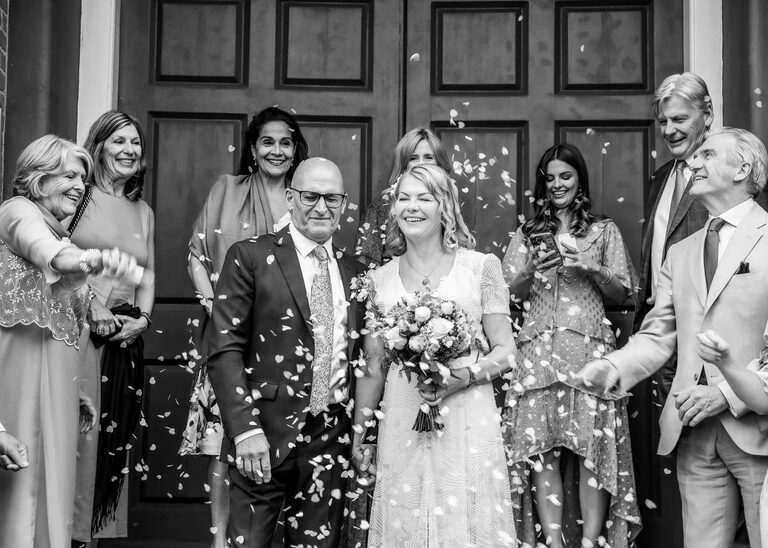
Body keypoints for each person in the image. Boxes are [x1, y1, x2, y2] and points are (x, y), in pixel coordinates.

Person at [579, 128, 768, 548]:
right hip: (690, 427)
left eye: (708, 156)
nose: (693, 164)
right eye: (694, 158)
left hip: (758, 428)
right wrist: (614, 366)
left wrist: (728, 395)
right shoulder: (680, 252)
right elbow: (658, 335)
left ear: (742, 168)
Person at [351, 163, 517, 546]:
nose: (412, 206)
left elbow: (507, 351)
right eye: (403, 198)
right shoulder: (379, 280)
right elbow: (374, 366)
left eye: (424, 197)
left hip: (467, 417)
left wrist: (465, 376)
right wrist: (363, 435)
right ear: (392, 209)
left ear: (444, 206)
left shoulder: (481, 268)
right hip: (403, 416)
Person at [206, 157, 366, 546]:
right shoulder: (250, 257)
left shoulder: (358, 271)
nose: (321, 207)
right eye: (310, 196)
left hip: (331, 439)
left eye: (332, 198)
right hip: (261, 434)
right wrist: (244, 431)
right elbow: (224, 349)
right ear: (291, 198)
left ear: (344, 204)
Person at [0, 134, 142, 547]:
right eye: (69, 175)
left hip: (58, 393)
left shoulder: (61, 235)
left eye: (83, 178)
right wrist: (92, 259)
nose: (81, 185)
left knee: (51, 496)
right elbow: (49, 255)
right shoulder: (17, 213)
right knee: (18, 499)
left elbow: (61, 324)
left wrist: (76, 391)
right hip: (17, 382)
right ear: (39, 179)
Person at [178, 106, 308, 547]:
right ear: (253, 148)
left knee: (285, 447)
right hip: (229, 338)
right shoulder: (226, 189)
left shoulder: (303, 197)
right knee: (223, 444)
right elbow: (197, 255)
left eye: (285, 142)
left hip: (281, 347)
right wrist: (217, 308)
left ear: (295, 151)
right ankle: (220, 541)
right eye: (267, 141)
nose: (276, 150)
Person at [501, 144, 641, 547]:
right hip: (538, 353)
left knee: (591, 451)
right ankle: (555, 540)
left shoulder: (603, 230)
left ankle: (592, 541)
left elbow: (623, 293)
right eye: (551, 177)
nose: (558, 184)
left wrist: (592, 267)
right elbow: (506, 293)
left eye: (566, 175)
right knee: (542, 452)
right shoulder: (529, 232)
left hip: (590, 350)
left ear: (579, 178)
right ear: (542, 183)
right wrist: (529, 270)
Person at [69, 110, 156, 543]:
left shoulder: (143, 210)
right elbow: (53, 259)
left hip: (125, 339)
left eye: (135, 142)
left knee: (112, 442)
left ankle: (91, 536)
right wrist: (90, 305)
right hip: (81, 334)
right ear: (98, 145)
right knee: (81, 439)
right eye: (118, 141)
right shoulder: (76, 197)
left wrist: (143, 319)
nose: (129, 150)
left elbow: (149, 272)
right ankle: (65, 532)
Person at [355, 127, 451, 266]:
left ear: (439, 163)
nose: (421, 163)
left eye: (429, 157)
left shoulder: (448, 201)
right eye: (413, 158)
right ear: (404, 165)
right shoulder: (381, 207)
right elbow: (365, 262)